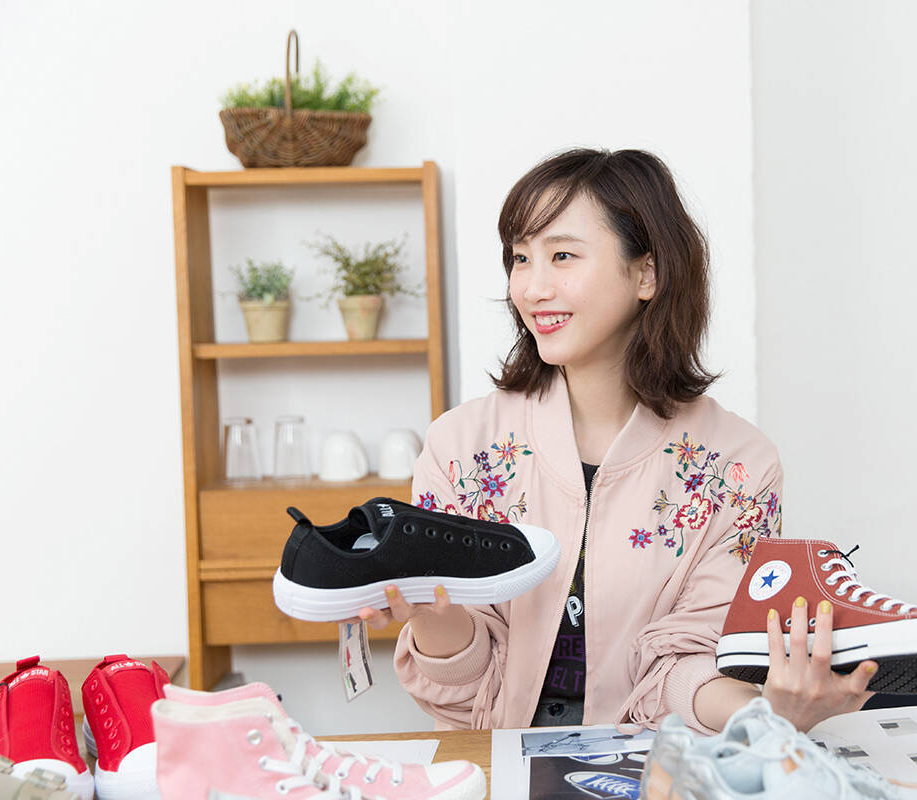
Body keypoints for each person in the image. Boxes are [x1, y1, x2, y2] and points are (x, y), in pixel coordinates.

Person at [353, 148, 877, 734]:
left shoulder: (738, 467)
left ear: (646, 274)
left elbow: (689, 665)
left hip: (654, 767)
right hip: (495, 767)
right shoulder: (461, 448)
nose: (532, 287)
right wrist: (433, 620)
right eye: (521, 258)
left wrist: (769, 713)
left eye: (562, 256)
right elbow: (463, 699)